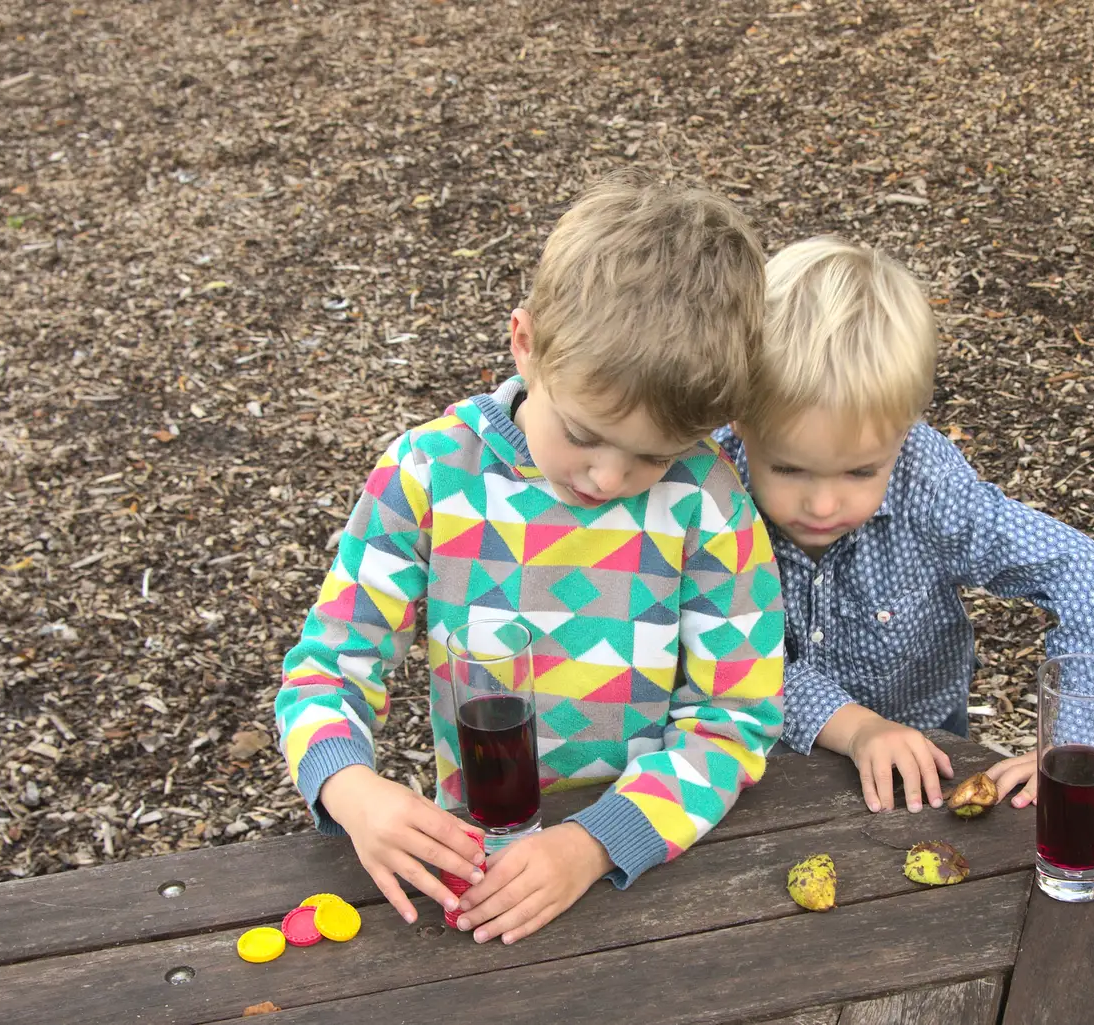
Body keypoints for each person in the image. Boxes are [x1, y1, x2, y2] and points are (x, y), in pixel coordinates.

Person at [276, 179, 784, 945]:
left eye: (651, 456)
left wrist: (592, 842)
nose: (607, 479)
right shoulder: (428, 475)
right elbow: (328, 668)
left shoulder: (707, 502)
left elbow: (733, 717)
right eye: (582, 433)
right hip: (478, 865)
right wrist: (352, 790)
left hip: (645, 865)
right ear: (526, 341)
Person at [714, 235, 1094, 816]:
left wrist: (1078, 736)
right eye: (789, 468)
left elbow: (1086, 576)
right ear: (737, 420)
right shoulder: (711, 488)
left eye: (861, 470)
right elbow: (724, 649)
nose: (821, 504)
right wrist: (857, 728)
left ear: (906, 429)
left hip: (927, 761)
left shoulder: (928, 489)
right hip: (762, 765)